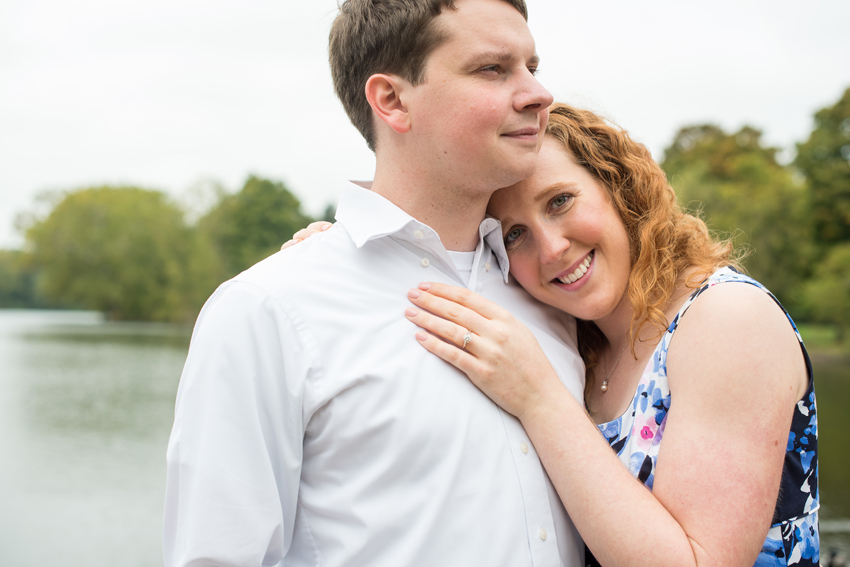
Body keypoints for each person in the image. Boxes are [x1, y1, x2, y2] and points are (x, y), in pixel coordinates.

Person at [289, 103, 820, 566]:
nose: (550, 249)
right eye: (515, 235)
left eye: (560, 201)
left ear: (619, 185)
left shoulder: (726, 318)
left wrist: (539, 397)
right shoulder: (575, 342)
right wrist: (342, 264)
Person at [163, 1, 587, 566]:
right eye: (493, 68)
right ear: (391, 100)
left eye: (532, 66)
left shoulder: (561, 288)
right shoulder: (268, 310)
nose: (538, 92)